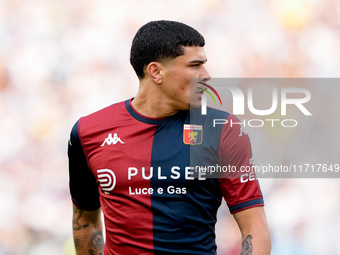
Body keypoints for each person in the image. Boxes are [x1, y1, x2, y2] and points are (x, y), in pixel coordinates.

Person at [68, 20, 271, 255]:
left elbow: (254, 225)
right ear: (156, 72)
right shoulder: (87, 131)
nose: (206, 76)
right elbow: (85, 220)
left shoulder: (223, 130)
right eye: (195, 66)